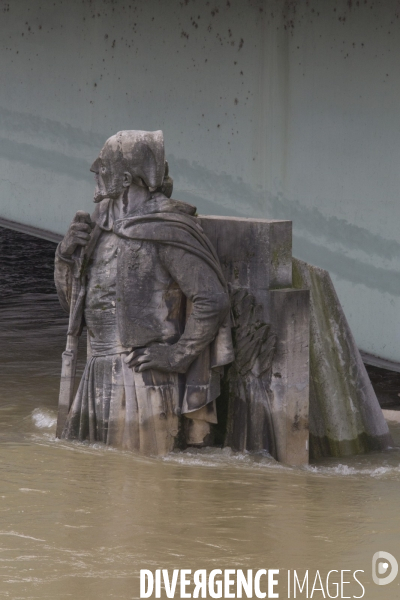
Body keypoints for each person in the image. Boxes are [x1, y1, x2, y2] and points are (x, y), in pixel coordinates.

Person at [54, 130, 233, 455]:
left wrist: (177, 356)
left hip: (139, 378)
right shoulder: (100, 228)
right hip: (95, 371)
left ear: (126, 177)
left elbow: (211, 299)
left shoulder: (166, 228)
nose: (95, 171)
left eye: (103, 166)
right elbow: (72, 308)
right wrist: (67, 257)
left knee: (136, 484)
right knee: (88, 483)